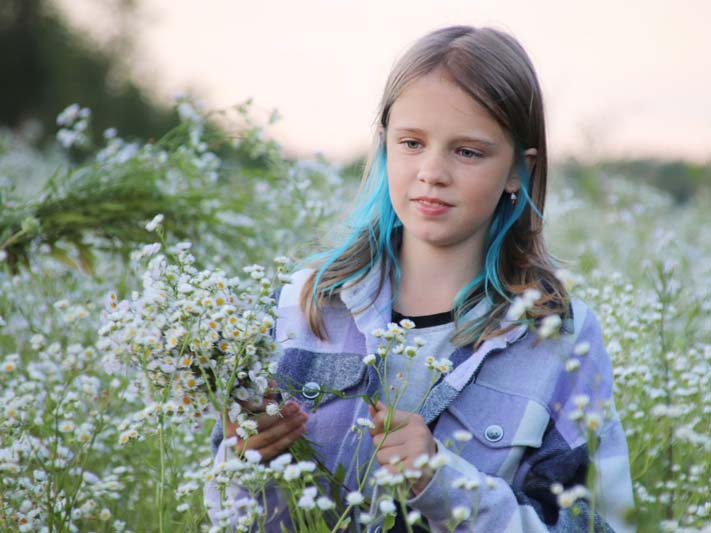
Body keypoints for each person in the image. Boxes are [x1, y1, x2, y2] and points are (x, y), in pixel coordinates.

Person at [205, 25, 635, 532]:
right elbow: (230, 517)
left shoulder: (560, 337)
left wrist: (443, 482)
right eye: (412, 142)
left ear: (519, 169)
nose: (432, 171)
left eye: (467, 152)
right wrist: (246, 465)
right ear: (386, 143)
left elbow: (602, 525)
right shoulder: (304, 305)